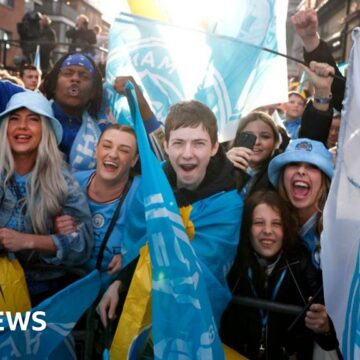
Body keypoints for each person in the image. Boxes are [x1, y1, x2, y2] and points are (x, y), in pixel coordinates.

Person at [98, 100, 243, 354]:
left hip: (193, 326)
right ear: (165, 146)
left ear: (214, 148)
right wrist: (119, 282)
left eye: (198, 143)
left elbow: (201, 271)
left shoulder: (228, 204)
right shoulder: (150, 189)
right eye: (178, 143)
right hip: (140, 321)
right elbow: (135, 247)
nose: (187, 153)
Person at [221, 190, 339, 359]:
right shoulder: (233, 265)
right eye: (259, 222)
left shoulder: (302, 264)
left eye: (276, 223)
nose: (267, 230)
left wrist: (325, 328)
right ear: (247, 228)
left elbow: (329, 343)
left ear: (286, 228)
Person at [0, 91, 93, 304]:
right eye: (14, 119)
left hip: (44, 295)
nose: (22, 126)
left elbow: (81, 246)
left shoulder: (63, 180)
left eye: (33, 119)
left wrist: (30, 241)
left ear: (46, 130)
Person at [55, 124, 147, 291]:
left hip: (110, 296)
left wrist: (131, 258)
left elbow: (156, 238)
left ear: (134, 160)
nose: (113, 154)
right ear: (96, 150)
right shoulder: (71, 183)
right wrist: (55, 227)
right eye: (107, 146)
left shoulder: (142, 194)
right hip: (66, 288)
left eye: (124, 150)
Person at [268, 138, 333, 270]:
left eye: (313, 166)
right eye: (294, 164)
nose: (301, 171)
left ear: (324, 181)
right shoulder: (270, 222)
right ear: (283, 175)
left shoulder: (338, 233)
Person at [226, 111, 284, 197]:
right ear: (237, 138)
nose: (257, 142)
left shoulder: (282, 172)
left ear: (275, 142)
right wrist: (223, 168)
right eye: (249, 136)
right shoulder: (220, 164)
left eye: (265, 136)